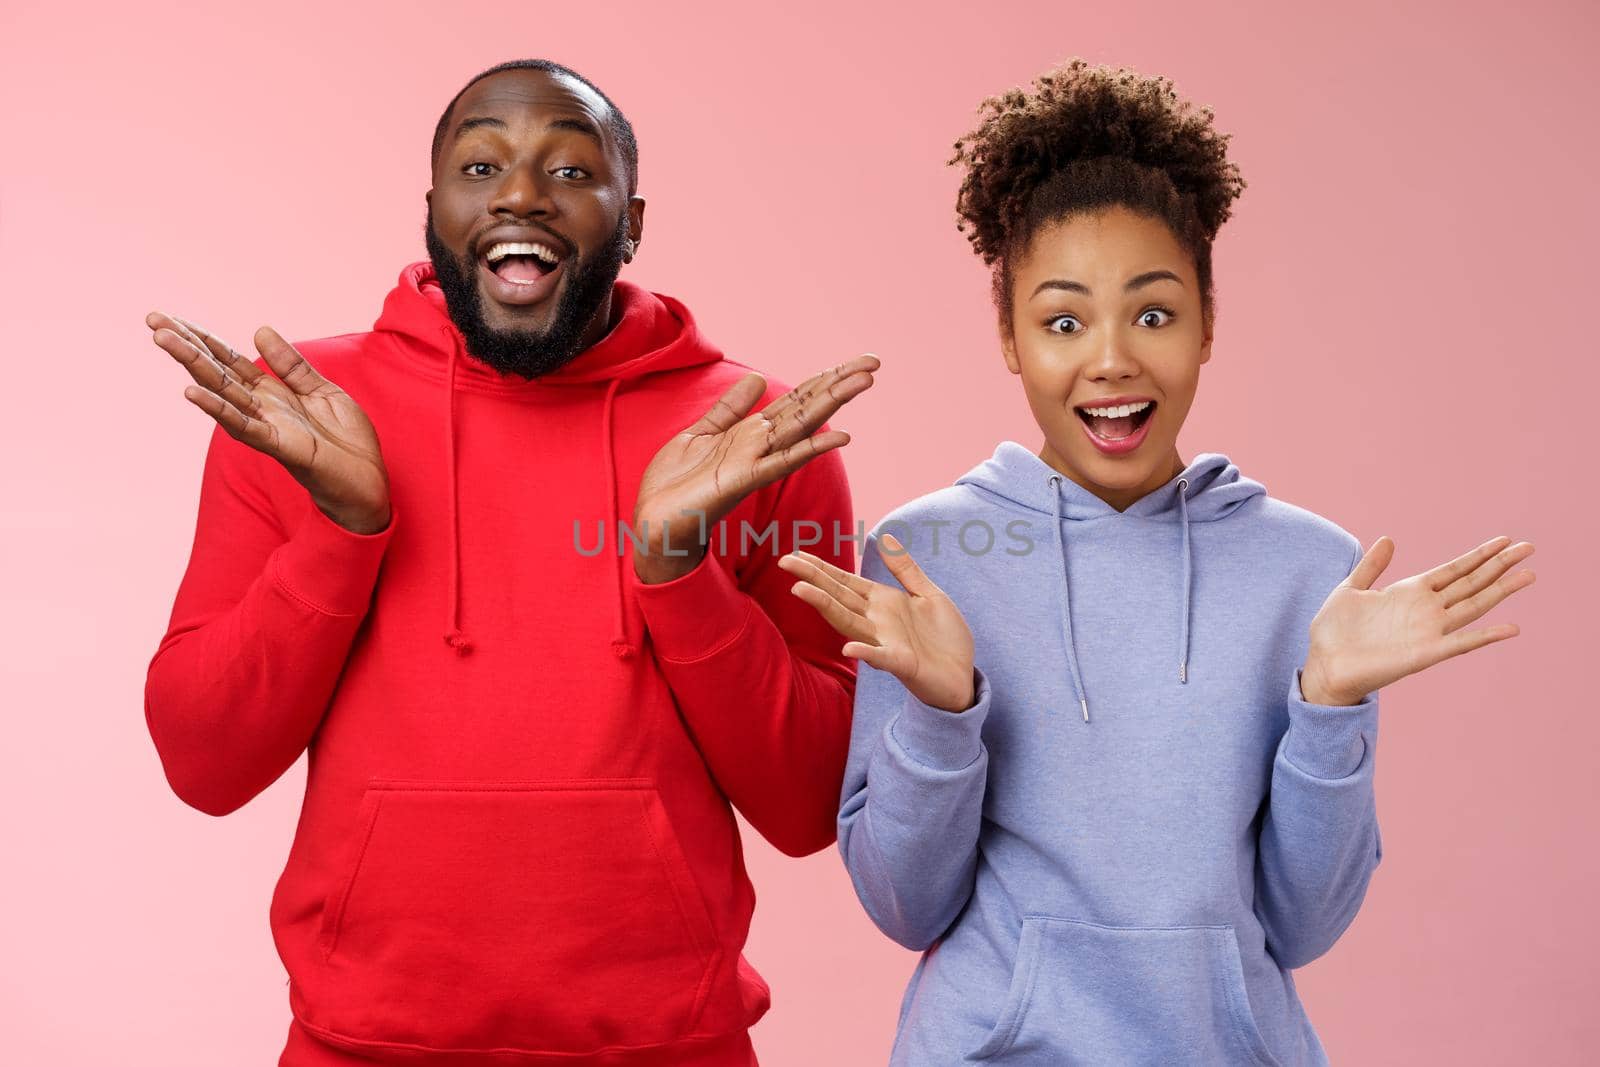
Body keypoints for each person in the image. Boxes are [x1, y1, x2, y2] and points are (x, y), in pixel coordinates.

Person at [777, 58, 1535, 1065]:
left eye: (1152, 312)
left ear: (1208, 322)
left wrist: (1330, 705)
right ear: (1007, 336)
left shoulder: (1309, 569)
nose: (1111, 359)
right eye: (1060, 320)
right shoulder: (928, 554)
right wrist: (942, 709)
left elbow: (1305, 926)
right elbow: (903, 905)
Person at [143, 58, 877, 1067]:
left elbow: (807, 803)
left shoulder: (749, 434)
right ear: (432, 211)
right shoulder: (300, 418)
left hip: (671, 1044)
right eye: (481, 164)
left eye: (570, 171)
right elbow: (203, 762)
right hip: (359, 1043)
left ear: (633, 222)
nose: (521, 194)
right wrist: (341, 530)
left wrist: (677, 571)